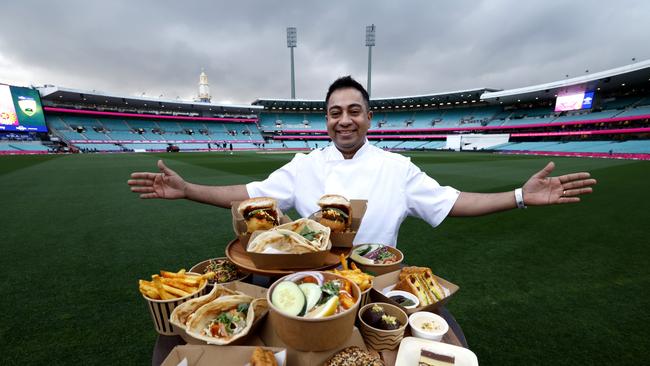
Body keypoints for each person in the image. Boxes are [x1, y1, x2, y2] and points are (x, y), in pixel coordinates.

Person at [128, 76, 596, 246]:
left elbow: (453, 202)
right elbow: (250, 196)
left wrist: (519, 196)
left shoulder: (397, 167)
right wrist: (188, 191)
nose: (344, 120)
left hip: (379, 286)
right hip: (311, 280)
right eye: (335, 113)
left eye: (354, 111)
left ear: (369, 118)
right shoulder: (304, 163)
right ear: (325, 121)